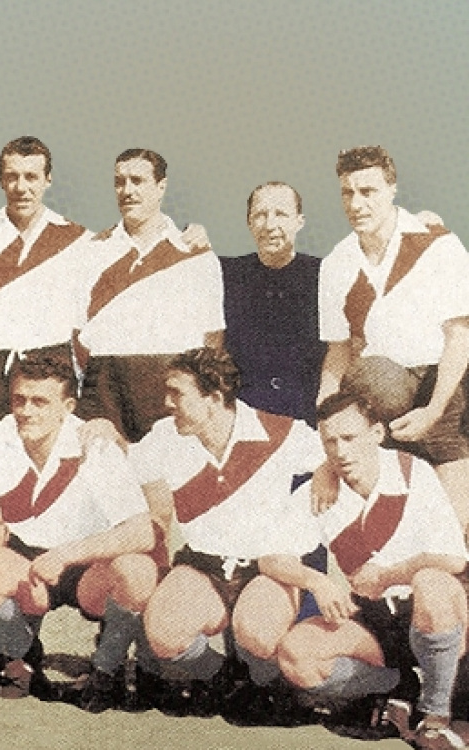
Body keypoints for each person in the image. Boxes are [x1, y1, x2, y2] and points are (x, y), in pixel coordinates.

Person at [0, 354, 161, 711]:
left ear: (67, 407)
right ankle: (23, 654)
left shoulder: (93, 443)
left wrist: (65, 555)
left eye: (40, 402)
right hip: (27, 559)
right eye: (19, 399)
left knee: (138, 572)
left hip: (86, 563)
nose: (26, 411)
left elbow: (142, 532)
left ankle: (105, 671)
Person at [267, 391, 468, 749]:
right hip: (376, 617)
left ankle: (435, 714)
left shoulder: (412, 471)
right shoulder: (320, 489)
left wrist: (388, 575)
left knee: (431, 582)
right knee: (297, 655)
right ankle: (399, 686)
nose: (340, 451)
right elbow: (270, 559)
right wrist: (317, 581)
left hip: (436, 613)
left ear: (377, 433)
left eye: (349, 438)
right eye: (330, 442)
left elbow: (452, 560)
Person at [132, 347, 323, 712]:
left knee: (258, 636)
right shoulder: (164, 436)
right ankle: (222, 677)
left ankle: (266, 682)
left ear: (215, 399)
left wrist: (327, 472)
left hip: (266, 569)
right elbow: (122, 464)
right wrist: (103, 432)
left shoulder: (280, 431)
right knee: (166, 635)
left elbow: (345, 458)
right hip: (202, 565)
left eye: (177, 393)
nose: (167, 403)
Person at [318, 145, 469, 529]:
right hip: (381, 397)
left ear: (392, 189)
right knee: (391, 529)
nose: (356, 204)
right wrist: (326, 446)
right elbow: (338, 353)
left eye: (368, 191)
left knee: (452, 529)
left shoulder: (437, 244)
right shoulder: (337, 263)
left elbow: (459, 337)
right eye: (347, 193)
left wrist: (432, 412)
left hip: (443, 390)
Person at [75, 148, 225, 442]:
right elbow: (76, 331)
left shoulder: (194, 253)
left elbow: (213, 338)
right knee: (102, 466)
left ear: (161, 186)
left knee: (169, 468)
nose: (127, 190)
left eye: (137, 180)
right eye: (119, 182)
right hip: (105, 389)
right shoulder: (93, 250)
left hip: (170, 386)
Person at [0, 136, 89, 419]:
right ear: (1, 180)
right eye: (12, 177)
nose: (21, 187)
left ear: (48, 179)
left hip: (50, 371)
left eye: (31, 177)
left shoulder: (79, 240)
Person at [221, 182, 324, 425]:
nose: (269, 225)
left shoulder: (324, 273)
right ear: (248, 222)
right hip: (243, 408)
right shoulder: (227, 273)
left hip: (308, 407)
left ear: (299, 221)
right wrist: (194, 233)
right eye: (260, 215)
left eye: (281, 214)